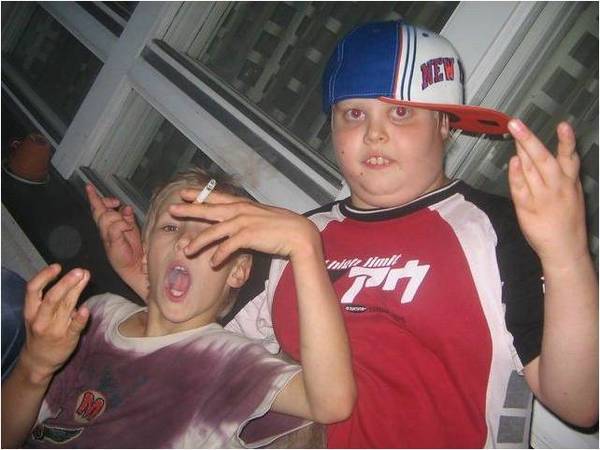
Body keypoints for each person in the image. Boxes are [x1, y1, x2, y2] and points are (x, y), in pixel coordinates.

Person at [87, 20, 598, 448]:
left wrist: (566, 254)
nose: (374, 133)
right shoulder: (299, 234)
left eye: (401, 112)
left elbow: (580, 404)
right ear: (332, 128)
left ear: (445, 124)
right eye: (354, 114)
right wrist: (146, 279)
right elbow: (205, 343)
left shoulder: (493, 227)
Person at [1, 169, 355, 448]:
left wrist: (305, 247)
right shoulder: (98, 314)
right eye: (171, 226)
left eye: (209, 232)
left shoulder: (229, 363)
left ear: (238, 271)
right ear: (146, 253)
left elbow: (331, 402)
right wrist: (35, 366)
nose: (186, 238)